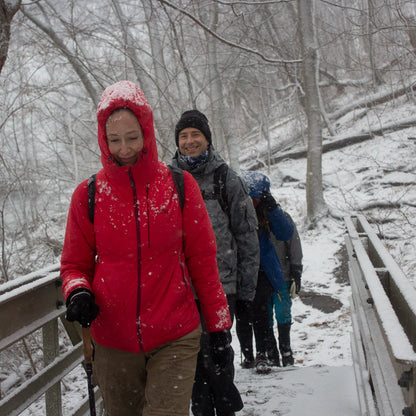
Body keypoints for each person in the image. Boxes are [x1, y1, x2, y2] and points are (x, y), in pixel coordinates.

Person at [60, 81, 233, 416]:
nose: (124, 149)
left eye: (132, 137)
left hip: (175, 335)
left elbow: (203, 262)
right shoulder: (89, 195)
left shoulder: (180, 186)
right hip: (112, 341)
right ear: (103, 139)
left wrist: (219, 326)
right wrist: (78, 291)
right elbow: (73, 266)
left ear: (147, 133)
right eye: (114, 140)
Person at [172, 110, 260, 416]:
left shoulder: (226, 179)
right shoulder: (167, 181)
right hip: (181, 290)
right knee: (193, 361)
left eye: (196, 134)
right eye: (183, 136)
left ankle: (225, 409)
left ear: (207, 138)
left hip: (222, 287)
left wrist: (247, 293)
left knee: (219, 355)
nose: (189, 141)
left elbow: (247, 238)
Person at [237, 171, 294, 374]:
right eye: (247, 197)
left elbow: (286, 233)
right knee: (242, 315)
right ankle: (247, 356)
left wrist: (273, 208)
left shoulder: (267, 211)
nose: (251, 202)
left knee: (261, 313)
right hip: (239, 268)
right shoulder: (235, 207)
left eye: (255, 198)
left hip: (262, 269)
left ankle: (263, 354)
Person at [267, 210, 303, 367]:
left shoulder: (281, 216)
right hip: (261, 276)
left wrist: (296, 269)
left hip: (282, 274)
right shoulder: (250, 215)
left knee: (282, 312)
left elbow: (293, 243)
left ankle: (285, 350)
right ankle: (271, 351)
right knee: (265, 315)